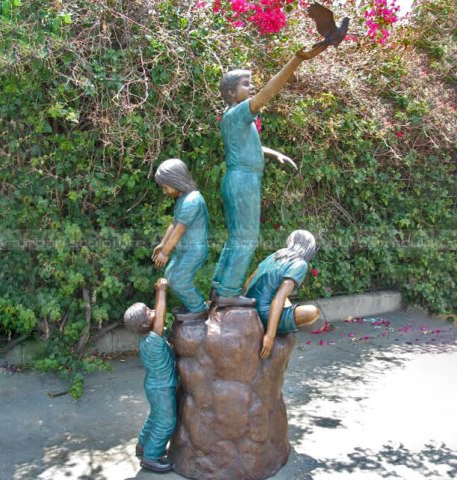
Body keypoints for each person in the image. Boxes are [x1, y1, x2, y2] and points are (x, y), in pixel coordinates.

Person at [211, 44, 327, 308]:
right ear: (231, 93)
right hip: (244, 180)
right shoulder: (239, 112)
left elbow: (247, 146)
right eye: (245, 84)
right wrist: (296, 59)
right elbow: (266, 94)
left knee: (236, 238)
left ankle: (220, 286)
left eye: (251, 83)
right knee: (247, 238)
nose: (251, 88)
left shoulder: (233, 118)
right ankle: (229, 291)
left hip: (238, 178)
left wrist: (273, 153)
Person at [124, 278, 177, 473]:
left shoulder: (147, 339)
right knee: (166, 421)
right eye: (150, 312)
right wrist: (161, 291)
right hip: (162, 387)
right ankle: (151, 456)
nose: (154, 311)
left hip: (154, 386)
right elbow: (161, 315)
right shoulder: (153, 341)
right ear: (146, 323)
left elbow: (160, 320)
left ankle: (142, 444)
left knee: (156, 416)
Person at [244, 230, 322, 359]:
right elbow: (279, 298)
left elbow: (249, 282)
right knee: (313, 312)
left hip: (250, 306)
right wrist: (270, 336)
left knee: (286, 300)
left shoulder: (275, 255)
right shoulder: (300, 264)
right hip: (264, 314)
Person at [153, 159, 209, 322]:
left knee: (178, 280)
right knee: (170, 276)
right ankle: (191, 305)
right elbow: (174, 224)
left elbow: (179, 230)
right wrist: (163, 244)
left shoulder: (192, 201)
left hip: (193, 250)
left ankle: (199, 308)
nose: (164, 191)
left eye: (165, 187)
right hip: (183, 249)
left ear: (176, 181)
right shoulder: (183, 199)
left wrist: (165, 253)